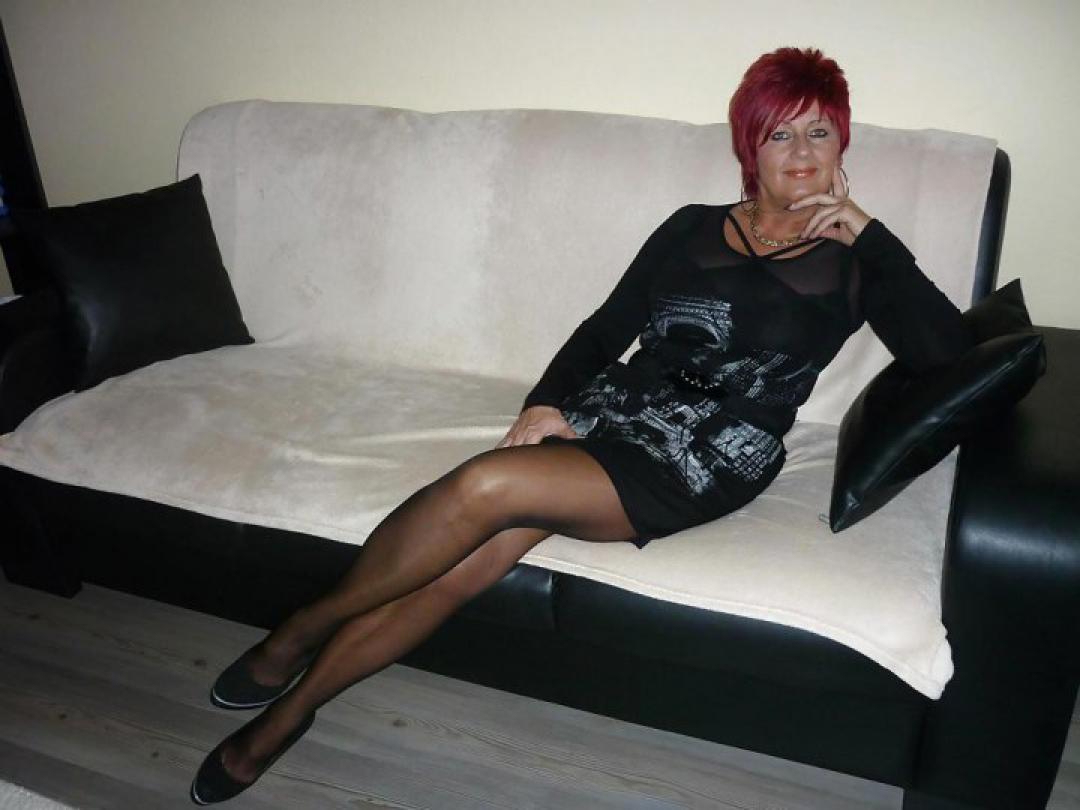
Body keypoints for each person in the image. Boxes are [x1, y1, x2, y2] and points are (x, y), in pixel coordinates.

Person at [190, 46, 973, 804]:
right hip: (613, 410)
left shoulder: (862, 263)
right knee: (460, 566)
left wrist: (870, 234)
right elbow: (606, 329)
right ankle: (290, 715)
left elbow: (947, 356)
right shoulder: (690, 228)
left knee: (487, 486)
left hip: (704, 456)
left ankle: (297, 631)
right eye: (780, 133)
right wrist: (546, 400)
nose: (801, 151)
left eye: (819, 131)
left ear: (842, 143)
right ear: (750, 146)